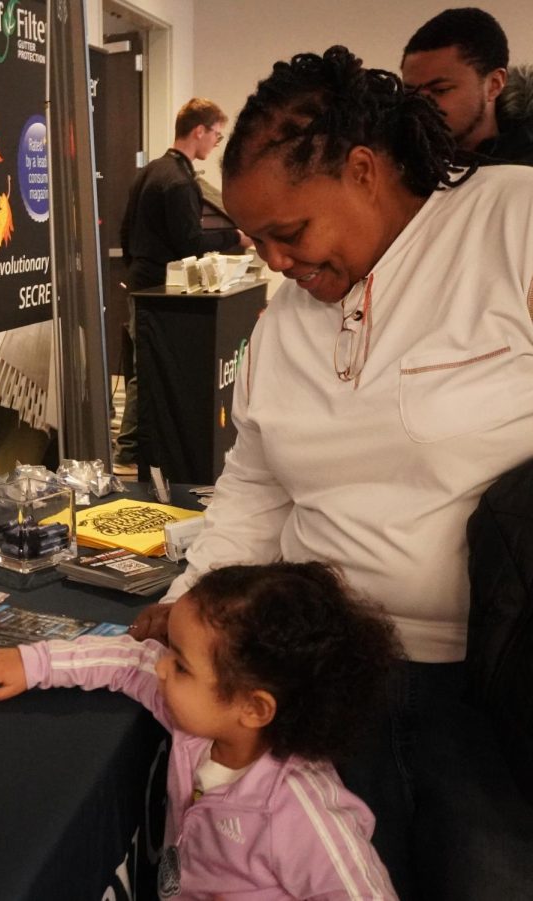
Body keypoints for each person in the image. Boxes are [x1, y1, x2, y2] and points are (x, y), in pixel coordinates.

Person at [131, 46, 533, 899]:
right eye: (255, 240)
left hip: (491, 686)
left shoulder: (510, 221)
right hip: (327, 684)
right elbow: (255, 486)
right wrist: (189, 600)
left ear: (362, 170)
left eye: (289, 232)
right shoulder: (286, 326)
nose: (274, 262)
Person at [0, 562, 399, 899]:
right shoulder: (202, 727)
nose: (161, 666)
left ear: (253, 707)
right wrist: (35, 664)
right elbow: (133, 662)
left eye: (181, 665)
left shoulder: (302, 813)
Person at [113, 99, 251, 474]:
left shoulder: (149, 172)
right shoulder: (178, 181)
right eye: (217, 137)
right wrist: (235, 237)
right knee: (151, 371)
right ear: (199, 131)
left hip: (141, 282)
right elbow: (190, 241)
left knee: (141, 370)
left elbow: (126, 232)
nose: (215, 144)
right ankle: (130, 453)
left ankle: (129, 449)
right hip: (162, 292)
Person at [400, 7, 533, 165]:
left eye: (440, 90)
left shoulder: (525, 174)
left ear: (494, 85)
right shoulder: (393, 163)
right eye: (410, 92)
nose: (420, 105)